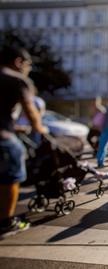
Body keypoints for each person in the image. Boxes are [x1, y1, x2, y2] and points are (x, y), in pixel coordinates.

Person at [0, 46, 47, 236]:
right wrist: (40, 128)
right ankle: (6, 221)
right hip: (3, 138)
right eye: (28, 65)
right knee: (10, 177)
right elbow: (31, 112)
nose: (28, 69)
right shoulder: (17, 80)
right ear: (18, 62)